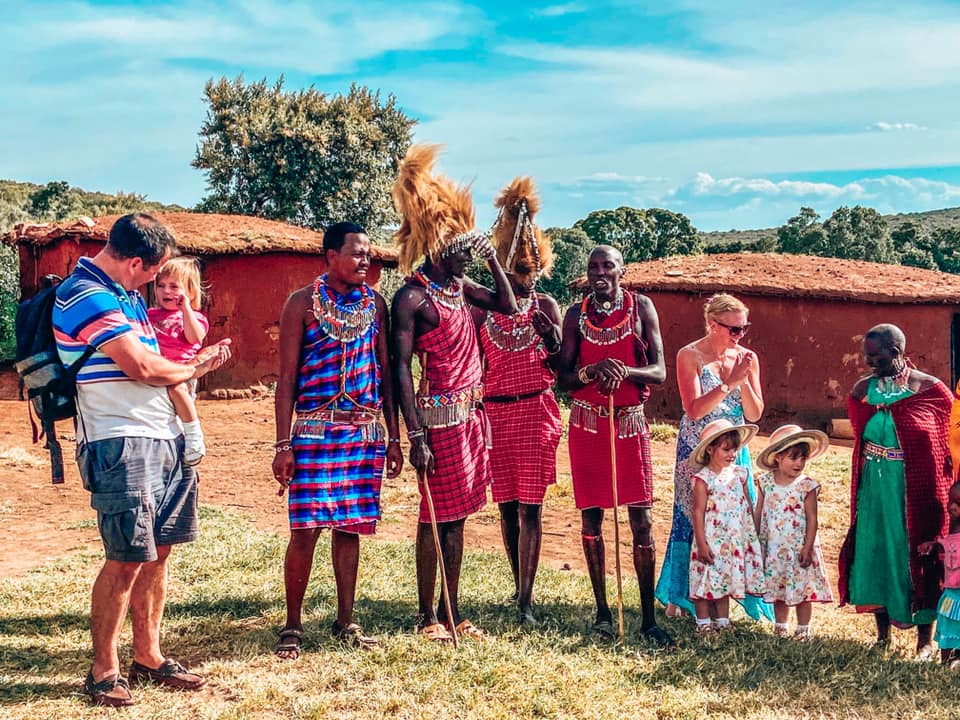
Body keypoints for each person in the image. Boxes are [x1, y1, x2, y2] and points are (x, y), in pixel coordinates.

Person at [52, 213, 232, 707]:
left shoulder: (126, 295)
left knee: (159, 551)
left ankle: (147, 656)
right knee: (127, 557)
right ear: (135, 262)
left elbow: (158, 368)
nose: (157, 282)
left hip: (162, 435)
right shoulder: (87, 295)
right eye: (154, 272)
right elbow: (145, 367)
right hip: (119, 441)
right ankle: (103, 670)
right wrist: (197, 364)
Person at [391, 144, 518, 643]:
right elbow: (400, 369)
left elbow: (508, 305)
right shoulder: (412, 297)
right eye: (465, 246)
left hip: (470, 419)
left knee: (459, 518)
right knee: (432, 517)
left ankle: (453, 610)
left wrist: (493, 262)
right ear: (442, 247)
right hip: (436, 421)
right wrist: (413, 434)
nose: (470, 252)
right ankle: (427, 617)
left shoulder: (460, 288)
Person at [272, 221, 402, 658]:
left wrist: (395, 437)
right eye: (357, 253)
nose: (366, 260)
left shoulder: (376, 306)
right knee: (305, 530)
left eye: (369, 254)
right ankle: (292, 624)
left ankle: (346, 620)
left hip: (363, 432)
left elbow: (385, 378)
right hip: (313, 431)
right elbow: (286, 379)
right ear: (330, 256)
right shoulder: (301, 305)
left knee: (350, 530)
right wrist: (282, 445)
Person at [557, 245, 673, 646]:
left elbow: (658, 370)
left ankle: (646, 619)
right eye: (593, 267)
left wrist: (624, 370)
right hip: (588, 425)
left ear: (623, 271)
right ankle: (603, 613)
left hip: (629, 425)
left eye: (608, 266)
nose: (600, 272)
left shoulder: (642, 308)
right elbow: (565, 379)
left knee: (641, 520)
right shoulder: (576, 315)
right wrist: (592, 370)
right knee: (592, 520)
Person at [472, 177, 562, 626]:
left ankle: (527, 599)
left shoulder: (547, 304)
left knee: (532, 506)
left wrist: (551, 336)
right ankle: (516, 586)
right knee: (506, 507)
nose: (524, 281)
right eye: (516, 274)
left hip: (535, 409)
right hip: (495, 414)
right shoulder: (482, 311)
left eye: (529, 274)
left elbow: (562, 364)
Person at [656, 293, 771, 622]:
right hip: (697, 449)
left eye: (744, 328)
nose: (740, 335)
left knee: (735, 520)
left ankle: (730, 593)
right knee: (692, 518)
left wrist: (745, 380)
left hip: (734, 450)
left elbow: (754, 412)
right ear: (712, 324)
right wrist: (728, 382)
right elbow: (693, 409)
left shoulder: (748, 357)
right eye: (733, 329)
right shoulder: (689, 355)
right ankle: (681, 595)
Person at [839, 323, 953, 658]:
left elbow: (949, 443)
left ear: (896, 352)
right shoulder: (862, 391)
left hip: (916, 489)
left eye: (875, 356)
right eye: (867, 355)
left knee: (916, 553)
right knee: (875, 551)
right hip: (874, 487)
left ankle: (924, 641)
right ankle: (882, 635)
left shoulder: (931, 391)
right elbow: (862, 437)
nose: (869, 362)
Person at [754, 424, 833, 640]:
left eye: (802, 458)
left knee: (802, 590)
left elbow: (812, 518)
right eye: (793, 458)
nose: (799, 463)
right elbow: (759, 511)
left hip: (799, 548)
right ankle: (780, 626)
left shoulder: (806, 486)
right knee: (779, 588)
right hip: (774, 547)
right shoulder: (766, 482)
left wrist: (808, 547)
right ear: (778, 457)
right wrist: (753, 538)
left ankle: (803, 629)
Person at [687, 419, 765, 637]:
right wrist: (701, 543)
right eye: (726, 448)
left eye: (735, 449)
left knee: (723, 580)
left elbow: (746, 503)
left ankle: (722, 621)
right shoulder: (703, 479)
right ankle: (703, 623)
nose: (732, 453)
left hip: (731, 540)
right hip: (711, 539)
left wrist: (749, 532)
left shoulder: (739, 474)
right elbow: (698, 512)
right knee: (705, 579)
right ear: (710, 449)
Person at [148, 256, 209, 466]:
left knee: (176, 390)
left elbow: (195, 338)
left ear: (190, 291)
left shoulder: (196, 318)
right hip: (155, 372)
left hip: (181, 373)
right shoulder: (150, 315)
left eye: (174, 286)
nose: (166, 291)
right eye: (161, 285)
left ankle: (194, 436)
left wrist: (186, 310)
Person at [918, 481, 960, 667]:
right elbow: (950, 544)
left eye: (958, 502)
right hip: (951, 595)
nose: (951, 506)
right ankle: (947, 663)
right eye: (950, 501)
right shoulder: (954, 530)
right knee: (949, 631)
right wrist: (934, 545)